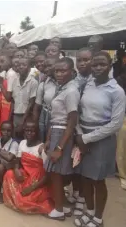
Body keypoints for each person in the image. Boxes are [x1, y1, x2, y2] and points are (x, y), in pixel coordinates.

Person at [74, 52, 126, 227]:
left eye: (102, 64)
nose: (97, 68)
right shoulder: (88, 85)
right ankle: (88, 211)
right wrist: (80, 134)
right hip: (83, 136)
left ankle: (98, 218)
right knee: (84, 177)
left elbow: (116, 124)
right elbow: (79, 111)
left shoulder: (116, 91)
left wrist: (87, 138)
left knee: (98, 180)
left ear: (110, 66)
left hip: (102, 139)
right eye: (95, 64)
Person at [44, 57, 79, 220]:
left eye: (63, 70)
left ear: (72, 72)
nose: (59, 73)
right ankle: (62, 206)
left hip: (63, 133)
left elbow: (72, 121)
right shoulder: (62, 88)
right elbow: (54, 117)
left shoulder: (71, 91)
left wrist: (59, 147)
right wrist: (49, 139)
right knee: (54, 173)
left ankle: (58, 209)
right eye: (57, 70)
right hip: (56, 130)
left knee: (57, 174)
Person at [2, 118, 53, 214]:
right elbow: (17, 160)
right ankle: (15, 198)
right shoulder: (22, 143)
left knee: (24, 202)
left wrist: (32, 188)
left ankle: (20, 199)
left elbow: (48, 175)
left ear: (37, 132)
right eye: (27, 130)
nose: (29, 133)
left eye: (32, 131)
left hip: (37, 180)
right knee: (9, 174)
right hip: (25, 174)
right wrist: (16, 169)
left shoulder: (42, 148)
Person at [6, 58, 38, 138]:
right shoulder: (14, 81)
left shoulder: (33, 82)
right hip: (16, 115)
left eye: (24, 65)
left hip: (27, 116)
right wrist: (10, 118)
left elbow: (31, 103)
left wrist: (23, 121)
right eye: (19, 65)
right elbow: (13, 101)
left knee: (26, 137)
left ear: (29, 68)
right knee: (15, 137)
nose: (21, 67)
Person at [0, 121, 19, 203]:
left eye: (9, 130)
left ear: (12, 131)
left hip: (8, 168)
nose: (6, 132)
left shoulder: (14, 143)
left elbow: (9, 158)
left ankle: (2, 192)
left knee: (0, 167)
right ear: (0, 130)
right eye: (3, 130)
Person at [33, 57, 57, 142]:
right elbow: (37, 105)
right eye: (45, 66)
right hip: (45, 118)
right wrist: (35, 124)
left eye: (49, 66)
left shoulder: (66, 83)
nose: (46, 69)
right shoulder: (44, 83)